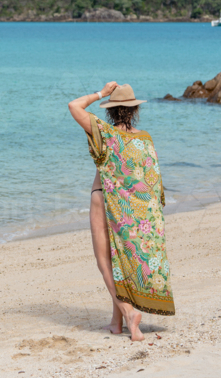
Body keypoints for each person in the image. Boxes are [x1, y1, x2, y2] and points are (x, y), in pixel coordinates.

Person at [68, 81, 175, 342]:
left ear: (110, 111)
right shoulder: (145, 139)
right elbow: (151, 180)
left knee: (104, 262)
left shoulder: (104, 132)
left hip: (102, 199)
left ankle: (128, 313)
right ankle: (115, 323)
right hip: (132, 210)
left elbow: (74, 106)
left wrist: (100, 93)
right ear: (135, 110)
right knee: (118, 262)